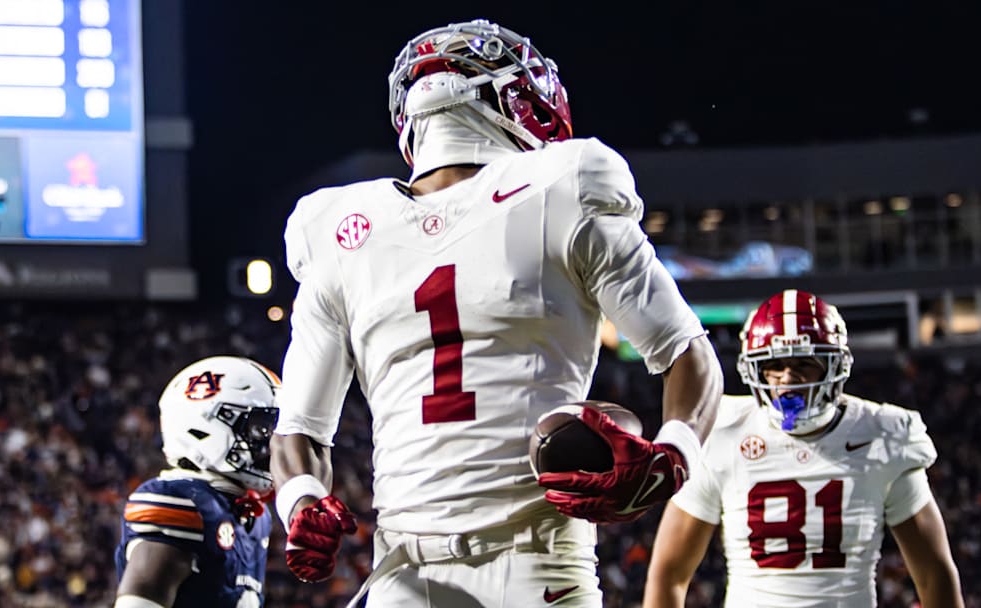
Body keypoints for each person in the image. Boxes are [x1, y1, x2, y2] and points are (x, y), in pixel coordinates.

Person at [269, 18, 723, 608]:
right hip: (427, 565)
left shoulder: (341, 230)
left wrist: (299, 496)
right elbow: (690, 356)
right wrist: (675, 452)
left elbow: (298, 434)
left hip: (518, 555)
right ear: (510, 96)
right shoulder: (563, 186)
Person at [643, 289, 964, 608]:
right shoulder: (723, 432)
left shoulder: (882, 436)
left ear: (834, 366)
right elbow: (669, 573)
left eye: (804, 364)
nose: (787, 378)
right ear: (754, 368)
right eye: (775, 364)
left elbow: (933, 573)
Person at [113, 356, 280, 608]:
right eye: (260, 430)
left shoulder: (254, 514)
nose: (273, 445)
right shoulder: (181, 500)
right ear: (206, 426)